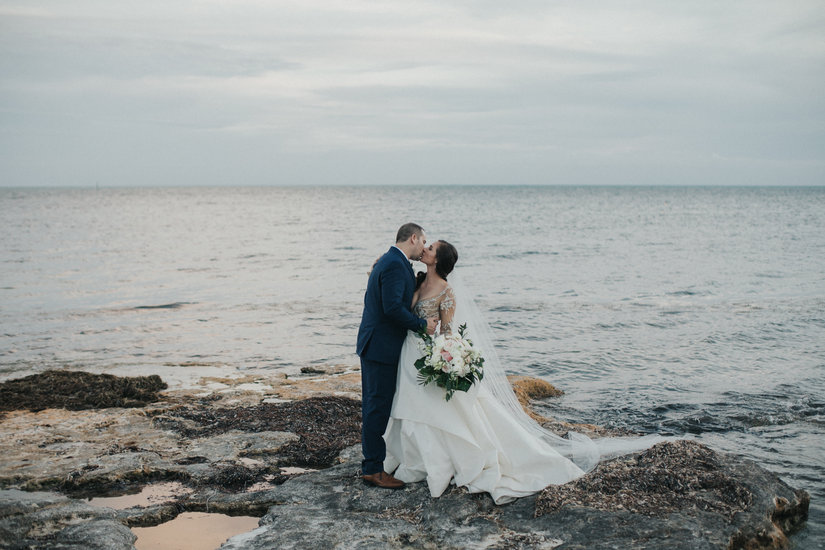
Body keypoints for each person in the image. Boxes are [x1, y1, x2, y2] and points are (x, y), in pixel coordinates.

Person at [383, 239, 654, 504]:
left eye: (431, 248)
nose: (425, 249)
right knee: (412, 405)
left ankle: (446, 460)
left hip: (428, 354)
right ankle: (415, 457)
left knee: (434, 407)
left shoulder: (446, 292)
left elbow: (448, 332)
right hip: (409, 352)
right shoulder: (418, 280)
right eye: (426, 245)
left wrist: (446, 358)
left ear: (438, 260)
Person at [356, 223, 438, 489]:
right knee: (376, 407)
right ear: (413, 238)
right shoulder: (393, 263)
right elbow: (392, 308)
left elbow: (396, 298)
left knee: (376, 405)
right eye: (424, 241)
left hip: (379, 345)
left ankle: (374, 463)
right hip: (379, 347)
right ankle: (372, 469)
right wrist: (421, 325)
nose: (425, 247)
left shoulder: (394, 262)